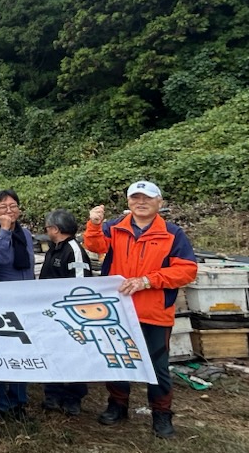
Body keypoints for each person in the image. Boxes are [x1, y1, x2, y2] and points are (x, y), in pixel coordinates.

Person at [83, 180, 198, 438]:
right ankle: (117, 405)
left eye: (147, 197)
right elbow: (95, 246)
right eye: (135, 198)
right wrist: (93, 224)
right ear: (128, 202)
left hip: (154, 312)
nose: (141, 202)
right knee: (118, 359)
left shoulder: (172, 233)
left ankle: (161, 414)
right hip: (118, 311)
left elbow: (187, 270)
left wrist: (148, 280)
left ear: (160, 202)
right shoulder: (115, 227)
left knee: (157, 366)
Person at [0, 189, 35, 421]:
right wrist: (4, 230)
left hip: (25, 301)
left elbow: (30, 265)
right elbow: (0, 258)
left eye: (13, 206)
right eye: (3, 207)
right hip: (0, 303)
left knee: (22, 350)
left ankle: (18, 401)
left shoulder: (26, 234)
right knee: (0, 351)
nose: (9, 211)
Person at [39, 209, 93, 416]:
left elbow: (80, 284)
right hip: (50, 314)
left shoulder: (74, 250)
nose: (47, 231)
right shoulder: (53, 249)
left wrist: (73, 313)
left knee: (74, 355)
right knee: (53, 353)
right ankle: (52, 394)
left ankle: (73, 398)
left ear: (55, 228)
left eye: (48, 227)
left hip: (69, 315)